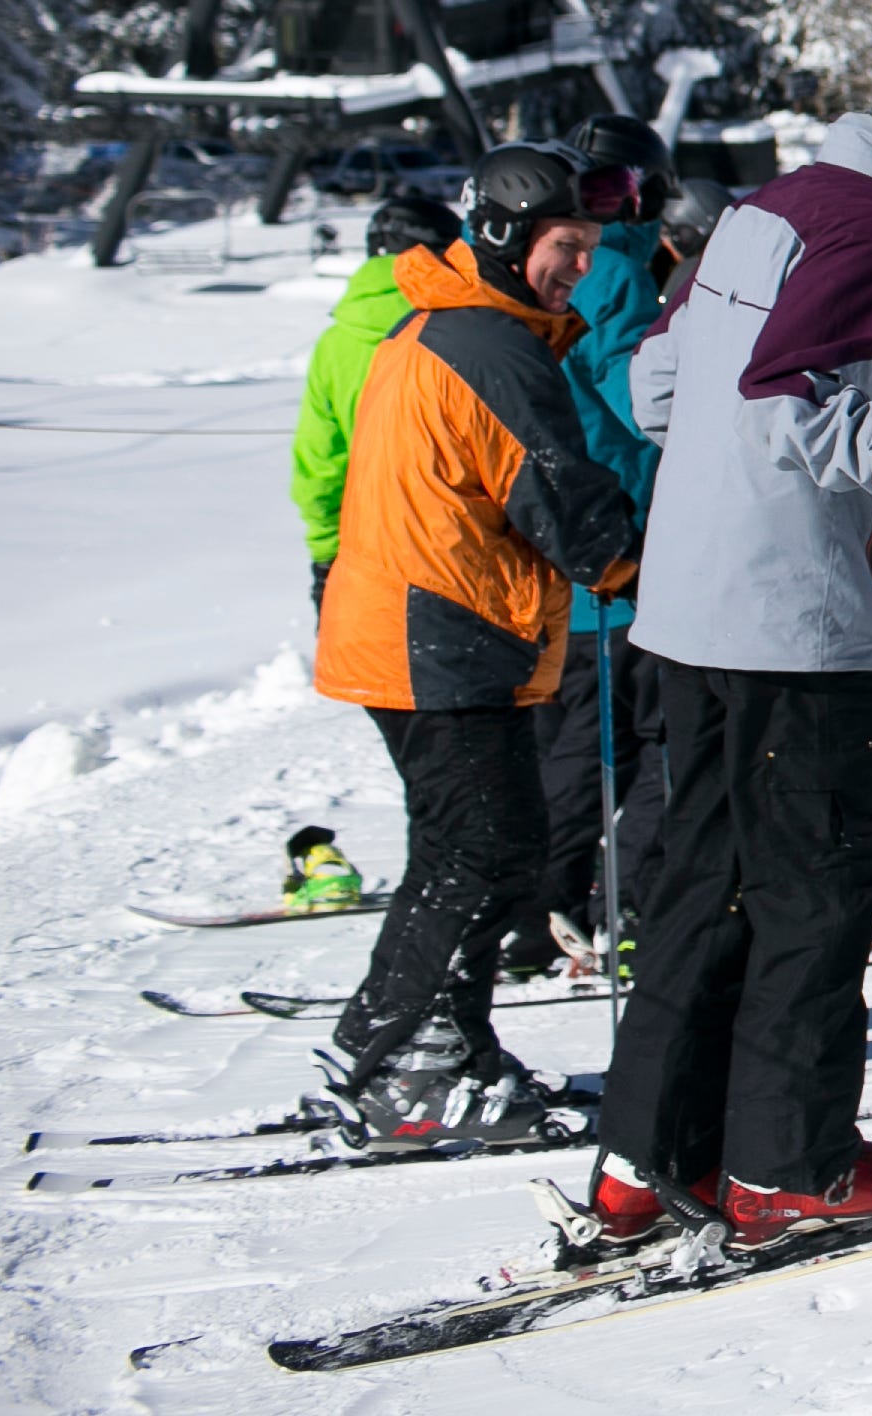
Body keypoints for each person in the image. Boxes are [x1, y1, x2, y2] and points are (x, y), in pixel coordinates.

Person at [590, 33, 872, 1249]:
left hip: (692, 613)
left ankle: (650, 1158)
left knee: (700, 886)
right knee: (813, 889)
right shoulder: (864, 227)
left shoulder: (772, 208)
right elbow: (785, 398)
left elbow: (657, 388)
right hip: (792, 624)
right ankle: (789, 1168)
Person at [314, 143, 644, 1146]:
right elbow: (568, 508)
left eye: (587, 249)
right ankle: (387, 1061)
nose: (578, 268)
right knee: (486, 854)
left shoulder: (469, 326)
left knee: (475, 851)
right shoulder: (487, 345)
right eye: (565, 247)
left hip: (443, 631)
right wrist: (665, 577)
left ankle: (443, 1051)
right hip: (435, 634)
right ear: (505, 234)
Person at [539, 113, 678, 975]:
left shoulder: (552, 266)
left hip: (561, 536)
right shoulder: (618, 270)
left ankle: (550, 901)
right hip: (626, 537)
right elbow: (642, 407)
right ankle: (598, 903)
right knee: (640, 742)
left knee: (583, 740)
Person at [291, 192, 462, 618]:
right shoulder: (464, 327)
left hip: (361, 550)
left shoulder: (336, 341)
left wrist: (325, 552)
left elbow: (320, 460)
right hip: (454, 551)